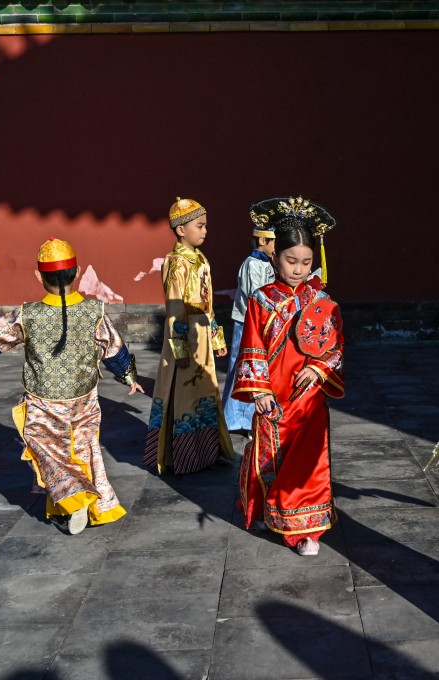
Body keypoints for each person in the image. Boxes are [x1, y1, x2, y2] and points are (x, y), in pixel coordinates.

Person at [0, 238, 142, 535]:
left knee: (50, 452)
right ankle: (81, 504)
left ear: (38, 276)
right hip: (84, 397)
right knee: (82, 449)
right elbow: (112, 346)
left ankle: (73, 501)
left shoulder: (28, 313)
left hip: (43, 399)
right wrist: (128, 374)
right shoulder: (94, 310)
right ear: (77, 273)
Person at [233, 196, 343, 556]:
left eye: (307, 262)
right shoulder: (261, 300)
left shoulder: (321, 297)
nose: (298, 269)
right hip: (274, 397)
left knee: (309, 462)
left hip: (310, 397)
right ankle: (273, 509)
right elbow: (251, 347)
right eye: (290, 260)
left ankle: (305, 530)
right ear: (274, 256)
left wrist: (318, 367)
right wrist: (259, 390)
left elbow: (335, 343)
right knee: (272, 459)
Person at [144, 197, 234, 475]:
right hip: (185, 337)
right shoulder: (175, 263)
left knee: (205, 392)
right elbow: (174, 309)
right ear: (181, 230)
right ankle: (183, 456)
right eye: (200, 226)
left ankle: (206, 452)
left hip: (204, 336)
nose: (205, 231)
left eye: (205, 225)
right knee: (183, 395)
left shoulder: (201, 259)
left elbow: (207, 304)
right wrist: (180, 349)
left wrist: (217, 338)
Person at [221, 206, 277, 433]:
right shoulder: (251, 264)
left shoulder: (266, 263)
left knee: (259, 367)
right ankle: (235, 418)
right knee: (241, 367)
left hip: (263, 322)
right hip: (247, 322)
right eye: (273, 242)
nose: (275, 247)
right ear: (262, 241)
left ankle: (252, 416)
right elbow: (256, 294)